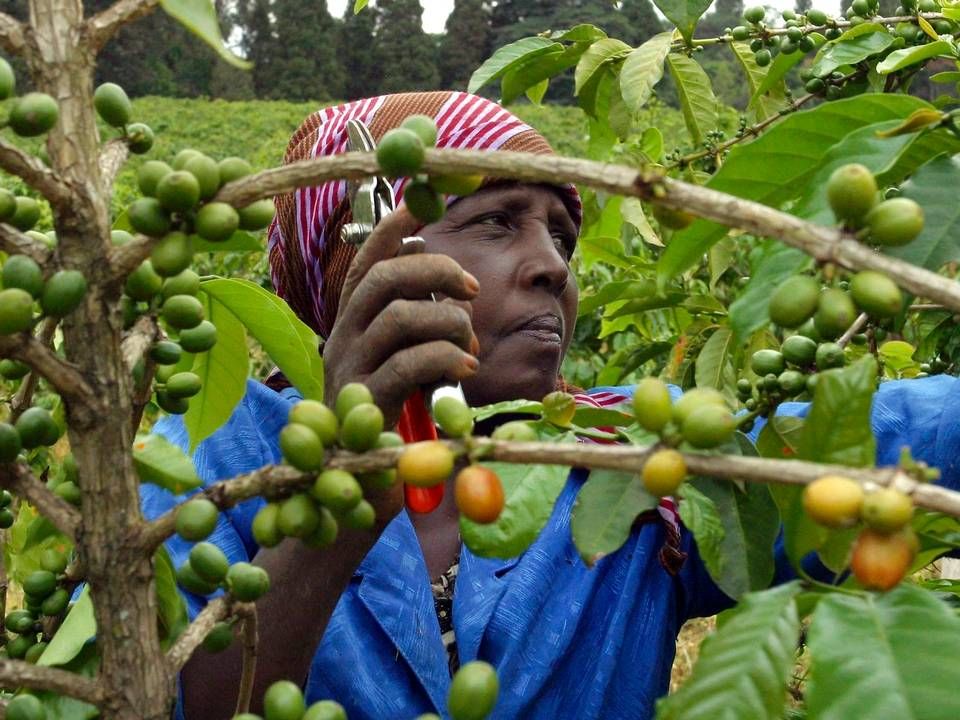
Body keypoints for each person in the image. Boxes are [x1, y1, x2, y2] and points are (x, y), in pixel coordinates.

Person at [143, 91, 960, 720]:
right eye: (497, 221)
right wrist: (342, 498)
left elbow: (881, 439)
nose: (552, 268)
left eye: (562, 237)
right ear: (361, 260)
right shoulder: (222, 443)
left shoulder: (628, 454)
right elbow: (156, 696)